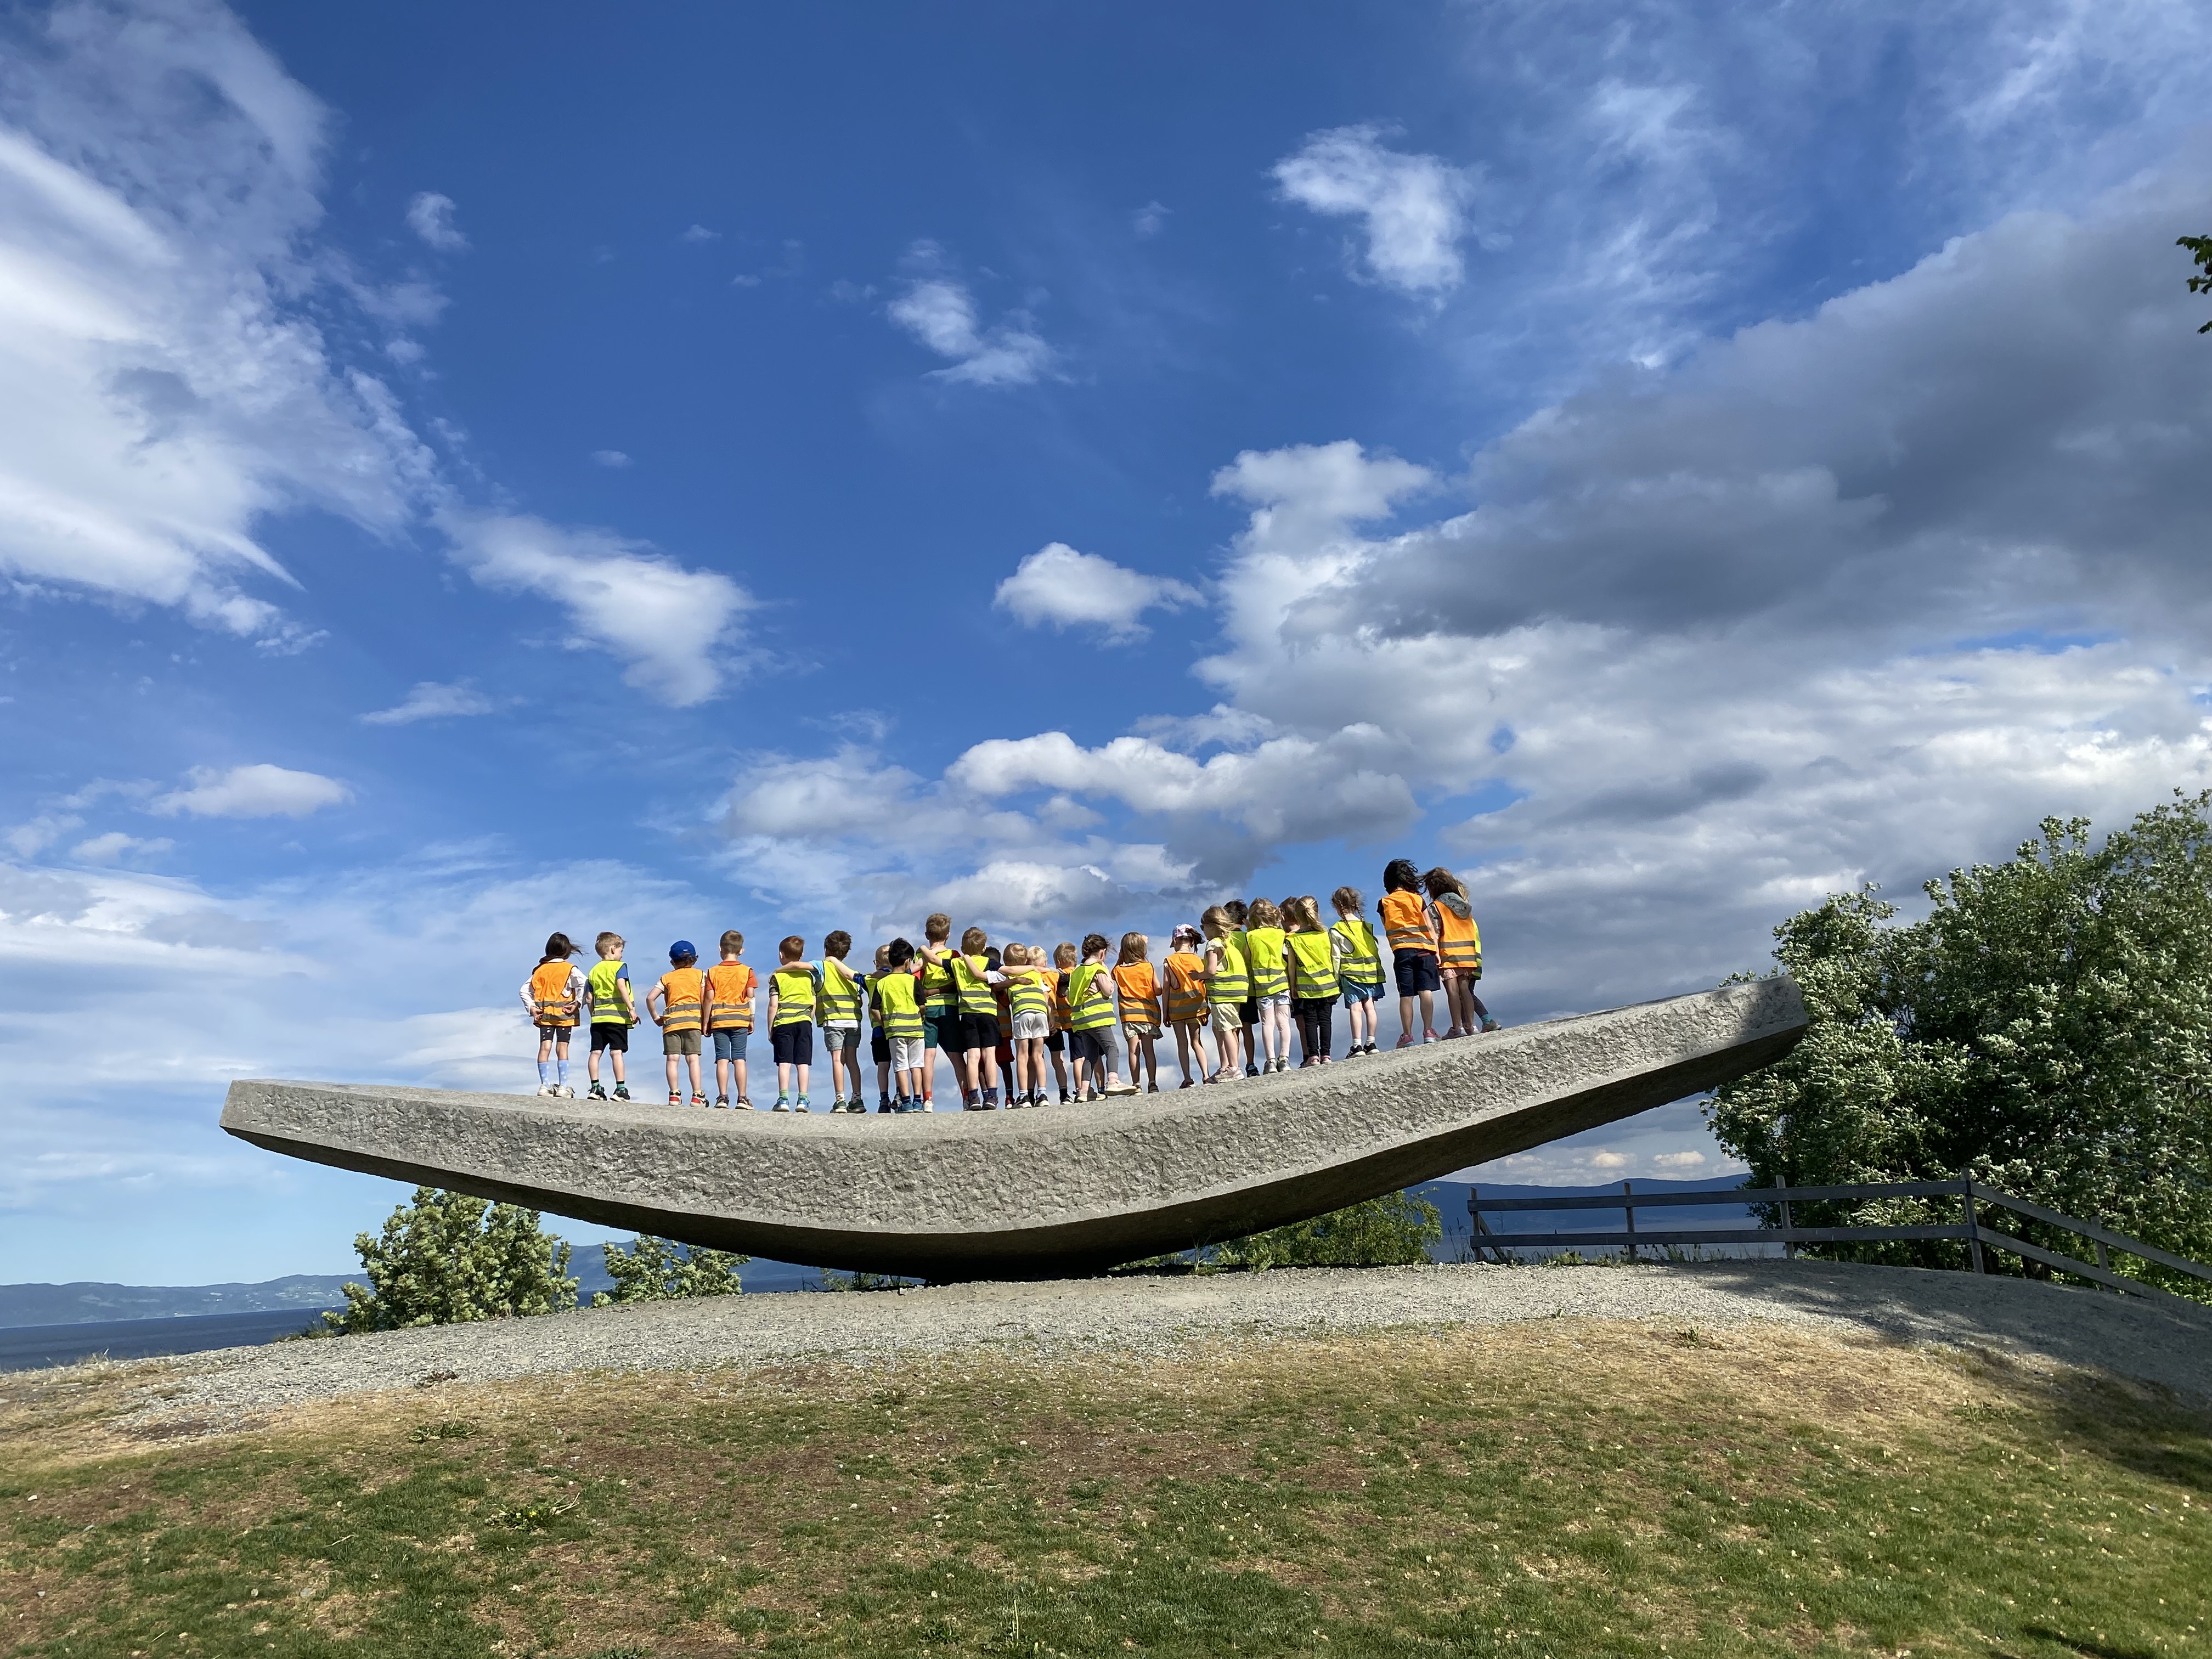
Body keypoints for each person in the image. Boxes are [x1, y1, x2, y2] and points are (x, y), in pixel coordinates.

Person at [1425, 867, 1502, 1036]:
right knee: (1465, 990)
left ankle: (1457, 1027)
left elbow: (1435, 932)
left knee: (1452, 992)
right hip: (1468, 954)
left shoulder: (1436, 906)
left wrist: (1434, 952)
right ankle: (1472, 1026)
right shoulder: (1465, 907)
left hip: (1448, 953)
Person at [1064, 933, 1136, 1099]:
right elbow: (1108, 990)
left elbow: (1071, 994)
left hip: (1081, 1020)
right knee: (1112, 1048)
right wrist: (1107, 977)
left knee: (1090, 1055)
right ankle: (1113, 1081)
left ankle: (1084, 1090)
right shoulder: (1098, 969)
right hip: (1098, 1017)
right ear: (1102, 953)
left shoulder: (1076, 972)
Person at [1379, 857, 1441, 1047]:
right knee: (1426, 991)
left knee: (1406, 994)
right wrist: (1436, 950)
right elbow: (1430, 926)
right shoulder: (1417, 899)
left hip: (1402, 952)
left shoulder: (1385, 902)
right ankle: (1429, 1031)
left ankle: (1407, 1035)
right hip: (1425, 949)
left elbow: (1386, 925)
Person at [945, 926, 1003, 1109]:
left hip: (968, 1015)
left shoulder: (957, 964)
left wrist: (923, 949)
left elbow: (935, 960)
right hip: (988, 1013)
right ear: (984, 949)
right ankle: (992, 1096)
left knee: (972, 1056)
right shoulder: (989, 964)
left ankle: (973, 1097)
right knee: (989, 1055)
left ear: (963, 949)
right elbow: (1005, 972)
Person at [646, 941, 708, 1107]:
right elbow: (705, 999)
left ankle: (674, 1095)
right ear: (695, 959)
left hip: (671, 1023)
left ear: (672, 962)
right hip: (693, 1022)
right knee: (693, 1059)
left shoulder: (666, 978)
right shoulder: (700, 975)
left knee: (672, 1059)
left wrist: (656, 1017)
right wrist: (706, 1020)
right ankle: (697, 1095)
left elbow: (650, 998)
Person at [704, 930, 757, 1108]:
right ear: (741, 951)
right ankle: (742, 1097)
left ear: (720, 949)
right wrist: (752, 1019)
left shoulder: (712, 972)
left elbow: (709, 998)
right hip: (740, 1019)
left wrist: (706, 1022)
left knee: (722, 1059)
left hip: (719, 1020)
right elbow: (751, 996)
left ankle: (722, 1097)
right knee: (739, 1058)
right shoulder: (747, 971)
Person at [1329, 888, 1384, 1057]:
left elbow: (1336, 957)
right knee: (1370, 1007)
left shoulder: (1336, 929)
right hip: (1371, 973)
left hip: (1351, 974)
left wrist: (1336, 978)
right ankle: (1372, 1042)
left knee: (1355, 1008)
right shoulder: (1366, 927)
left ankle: (1357, 1046)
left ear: (1337, 907)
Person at [765, 935, 817, 1112]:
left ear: (781, 955)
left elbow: (773, 1004)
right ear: (802, 956)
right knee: (803, 1063)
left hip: (783, 1022)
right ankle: (803, 1100)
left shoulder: (777, 977)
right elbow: (814, 1001)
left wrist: (771, 1028)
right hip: (804, 1022)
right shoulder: (809, 976)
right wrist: (809, 1017)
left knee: (784, 1063)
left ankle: (783, 1099)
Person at [1285, 896, 1339, 1066]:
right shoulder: (1325, 935)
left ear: (1297, 916)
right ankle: (1326, 1055)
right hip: (1327, 985)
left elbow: (1292, 967)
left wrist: (1293, 986)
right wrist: (1336, 980)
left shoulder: (1293, 940)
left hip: (1305, 987)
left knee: (1310, 1021)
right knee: (1325, 1020)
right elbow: (1334, 959)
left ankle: (1313, 1056)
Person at [583, 931, 637, 1100]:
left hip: (598, 1019)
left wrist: (594, 1014)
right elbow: (621, 986)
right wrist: (631, 1009)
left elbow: (589, 998)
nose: (621, 955)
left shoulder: (594, 971)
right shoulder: (620, 967)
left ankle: (595, 1088)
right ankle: (620, 1089)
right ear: (614, 949)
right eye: (621, 951)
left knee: (595, 1052)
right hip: (617, 1018)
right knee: (616, 1052)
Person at [817, 931, 867, 1112]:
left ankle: (840, 1100)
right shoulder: (852, 974)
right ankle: (858, 1098)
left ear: (825, 949)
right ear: (846, 953)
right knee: (853, 1060)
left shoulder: (823, 968)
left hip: (834, 1020)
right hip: (854, 1022)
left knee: (837, 1060)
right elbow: (860, 1001)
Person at [876, 938, 928, 1110]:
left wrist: (885, 1024)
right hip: (915, 1030)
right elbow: (922, 1005)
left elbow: (874, 1009)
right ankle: (918, 1101)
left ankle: (905, 1102)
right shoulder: (913, 981)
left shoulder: (882, 983)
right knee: (916, 1066)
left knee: (901, 1067)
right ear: (908, 962)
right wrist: (921, 1017)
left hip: (895, 1031)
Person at [1243, 898, 1293, 1074]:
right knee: (1283, 1022)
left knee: (1267, 1024)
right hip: (1282, 983)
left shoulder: (1250, 936)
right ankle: (1284, 1059)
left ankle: (1270, 1061)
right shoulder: (1281, 935)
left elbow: (1248, 958)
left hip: (1262, 986)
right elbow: (1287, 956)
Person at [1002, 943, 1055, 1107]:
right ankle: (1043, 1095)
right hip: (1040, 1011)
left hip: (1023, 1012)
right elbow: (1046, 994)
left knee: (1023, 1056)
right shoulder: (1035, 973)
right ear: (1026, 959)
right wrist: (1050, 1015)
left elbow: (1003, 995)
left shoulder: (1007, 976)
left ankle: (1024, 1096)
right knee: (1038, 1056)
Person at [1199, 906, 1247, 1083]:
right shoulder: (1230, 944)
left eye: (1203, 926)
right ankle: (1232, 1067)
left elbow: (1211, 970)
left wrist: (1198, 975)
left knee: (1225, 1029)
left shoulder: (1213, 944)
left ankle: (1233, 1068)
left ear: (1212, 926)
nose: (1203, 931)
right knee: (1233, 1029)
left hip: (1222, 994)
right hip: (1237, 992)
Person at [916, 912, 957, 1109]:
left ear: (927, 935)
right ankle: (969, 1096)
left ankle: (928, 1099)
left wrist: (928, 992)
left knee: (928, 1056)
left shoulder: (919, 956)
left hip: (928, 1010)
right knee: (956, 1055)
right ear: (948, 935)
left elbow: (915, 983)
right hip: (949, 1008)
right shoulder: (955, 956)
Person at [1160, 924, 1209, 1087]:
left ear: (1175, 940)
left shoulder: (1169, 961)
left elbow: (1166, 988)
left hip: (1176, 1008)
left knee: (1182, 1044)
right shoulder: (1199, 960)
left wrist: (1165, 1013)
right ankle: (1206, 1075)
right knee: (1197, 1042)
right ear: (1192, 942)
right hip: (1196, 1007)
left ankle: (1188, 1079)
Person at [1113, 932, 1162, 1093]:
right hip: (1147, 1014)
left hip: (1129, 1015)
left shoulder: (1119, 971)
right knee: (1149, 1051)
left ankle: (1137, 1085)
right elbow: (1157, 990)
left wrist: (1122, 956)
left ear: (1123, 951)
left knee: (1133, 1051)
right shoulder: (1148, 967)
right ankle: (1153, 1083)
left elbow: (1114, 970)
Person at [1222, 899, 1260, 1077]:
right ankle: (1251, 1064)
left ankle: (1233, 1065)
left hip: (1229, 991)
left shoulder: (1225, 941)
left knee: (1232, 1029)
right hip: (1249, 989)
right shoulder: (1248, 937)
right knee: (1247, 1028)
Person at [1046, 941, 1077, 1103]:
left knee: (1035, 1058)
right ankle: (1070, 1092)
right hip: (1069, 1022)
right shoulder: (1078, 973)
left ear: (1058, 962)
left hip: (1061, 1021)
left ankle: (1036, 1094)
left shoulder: (1055, 975)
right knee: (1066, 1058)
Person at [866, 943, 896, 1111]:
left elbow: (850, 975)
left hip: (878, 1029)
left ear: (876, 963)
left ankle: (884, 1099)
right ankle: (901, 1096)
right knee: (900, 1065)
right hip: (897, 1027)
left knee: (883, 1066)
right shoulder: (901, 978)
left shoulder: (870, 980)